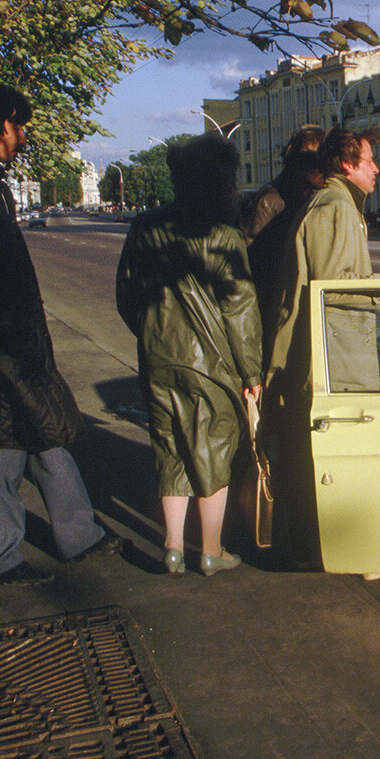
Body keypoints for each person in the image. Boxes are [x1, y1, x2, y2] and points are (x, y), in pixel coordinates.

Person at [0, 79, 123, 585]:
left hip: (11, 338)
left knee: (46, 434)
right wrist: (11, 337)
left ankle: (79, 536)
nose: (23, 136)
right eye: (17, 125)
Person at [263, 125, 380, 566]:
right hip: (335, 358)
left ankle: (323, 547)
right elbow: (330, 288)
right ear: (347, 164)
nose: (377, 168)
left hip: (336, 352)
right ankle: (339, 551)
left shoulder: (338, 204)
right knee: (336, 459)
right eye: (369, 160)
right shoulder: (336, 207)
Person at [116, 134, 262, 577]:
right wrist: (251, 371)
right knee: (214, 450)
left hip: (158, 356)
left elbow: (126, 294)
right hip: (212, 363)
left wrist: (150, 333)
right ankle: (212, 550)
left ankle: (174, 546)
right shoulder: (222, 235)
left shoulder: (145, 226)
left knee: (170, 447)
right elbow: (240, 310)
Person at [240, 124, 325, 354]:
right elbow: (251, 270)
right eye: (322, 164)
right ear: (306, 164)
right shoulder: (270, 200)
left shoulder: (307, 196)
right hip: (272, 316)